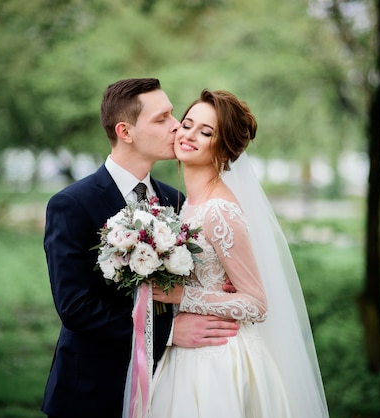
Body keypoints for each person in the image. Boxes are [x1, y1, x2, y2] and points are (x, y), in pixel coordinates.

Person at [41, 79, 241, 418]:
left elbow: (185, 281)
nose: (177, 126)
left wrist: (218, 284)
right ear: (126, 131)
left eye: (173, 115)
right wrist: (167, 332)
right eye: (162, 118)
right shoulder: (73, 204)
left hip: (169, 387)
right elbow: (75, 307)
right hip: (93, 389)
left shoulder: (175, 201)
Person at [149, 89, 329, 417]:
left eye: (205, 132)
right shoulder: (186, 204)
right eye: (187, 124)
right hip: (186, 350)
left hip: (217, 360)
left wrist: (181, 297)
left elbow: (256, 303)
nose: (188, 135)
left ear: (224, 147)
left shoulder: (219, 211)